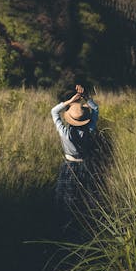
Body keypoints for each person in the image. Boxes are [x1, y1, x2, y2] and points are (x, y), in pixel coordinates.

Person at [51, 82, 100, 231]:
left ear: (69, 119)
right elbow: (96, 109)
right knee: (84, 198)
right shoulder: (90, 130)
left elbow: (54, 112)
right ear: (85, 119)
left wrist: (70, 101)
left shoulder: (65, 133)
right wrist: (85, 97)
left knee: (66, 199)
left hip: (69, 167)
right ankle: (83, 227)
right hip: (85, 166)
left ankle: (65, 227)